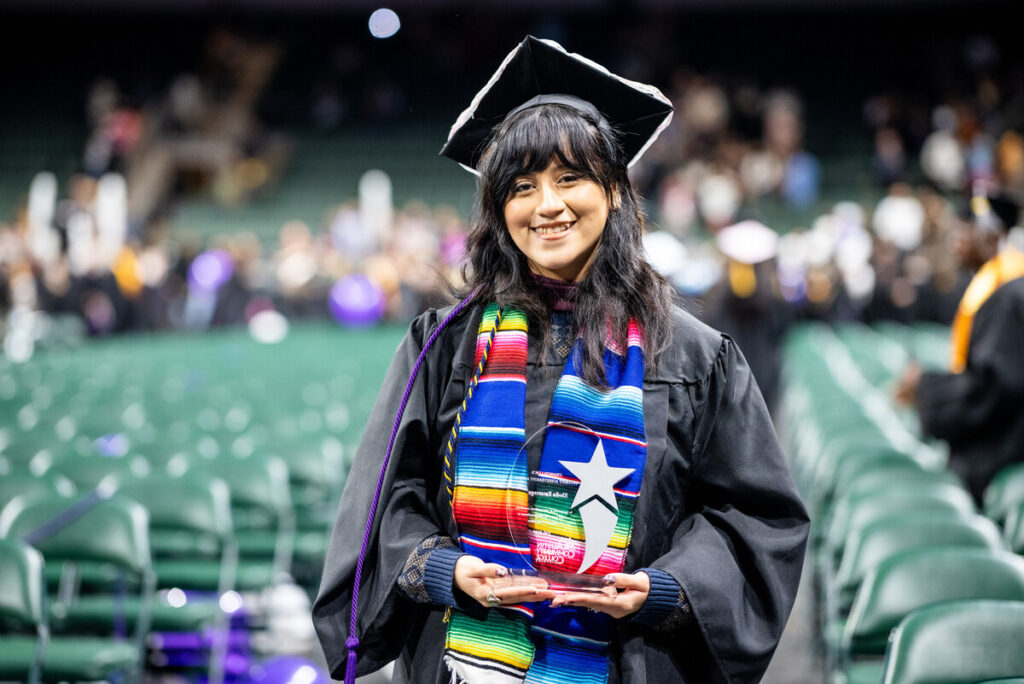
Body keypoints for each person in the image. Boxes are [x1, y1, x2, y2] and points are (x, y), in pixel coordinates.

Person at [313, 36, 809, 684]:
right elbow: (387, 504)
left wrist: (665, 588)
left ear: (613, 192)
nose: (547, 205)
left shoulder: (691, 354)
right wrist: (446, 569)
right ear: (499, 209)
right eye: (521, 186)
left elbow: (753, 518)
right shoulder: (443, 346)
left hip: (628, 664)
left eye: (570, 177)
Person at [895, 190, 1024, 502]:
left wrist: (926, 387)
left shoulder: (1008, 297)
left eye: (966, 229)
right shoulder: (997, 289)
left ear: (992, 236)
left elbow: (994, 388)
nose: (956, 238)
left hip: (1002, 450)